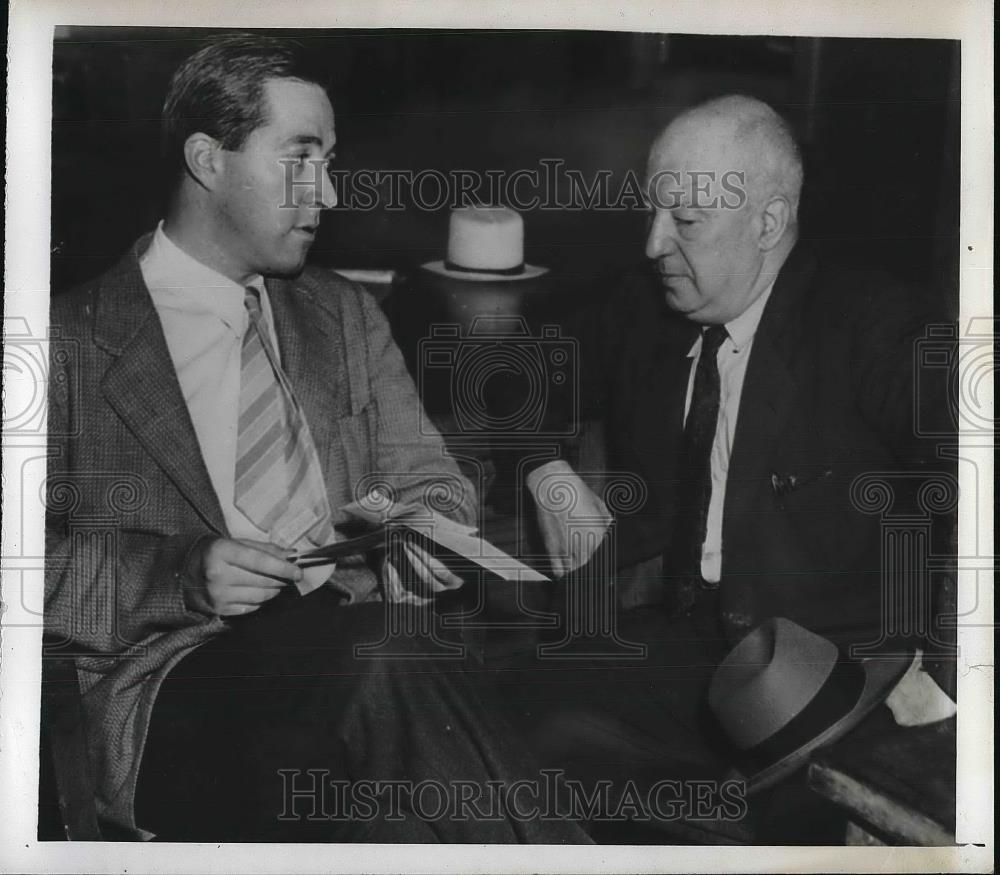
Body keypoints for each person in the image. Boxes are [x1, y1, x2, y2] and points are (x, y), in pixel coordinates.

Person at [44, 35, 588, 843]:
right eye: (301, 159)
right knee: (394, 669)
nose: (327, 191)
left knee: (409, 812)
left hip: (348, 655)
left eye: (330, 160)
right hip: (176, 684)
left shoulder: (340, 315)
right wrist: (179, 572)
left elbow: (429, 478)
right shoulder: (64, 342)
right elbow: (23, 564)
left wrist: (423, 534)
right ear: (207, 159)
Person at [511, 94, 955, 840]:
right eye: (653, 214)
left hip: (837, 686)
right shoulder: (644, 306)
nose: (654, 245)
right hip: (685, 645)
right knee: (500, 709)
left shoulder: (878, 327)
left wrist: (943, 681)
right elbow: (506, 372)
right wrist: (544, 469)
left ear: (769, 223)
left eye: (685, 222)